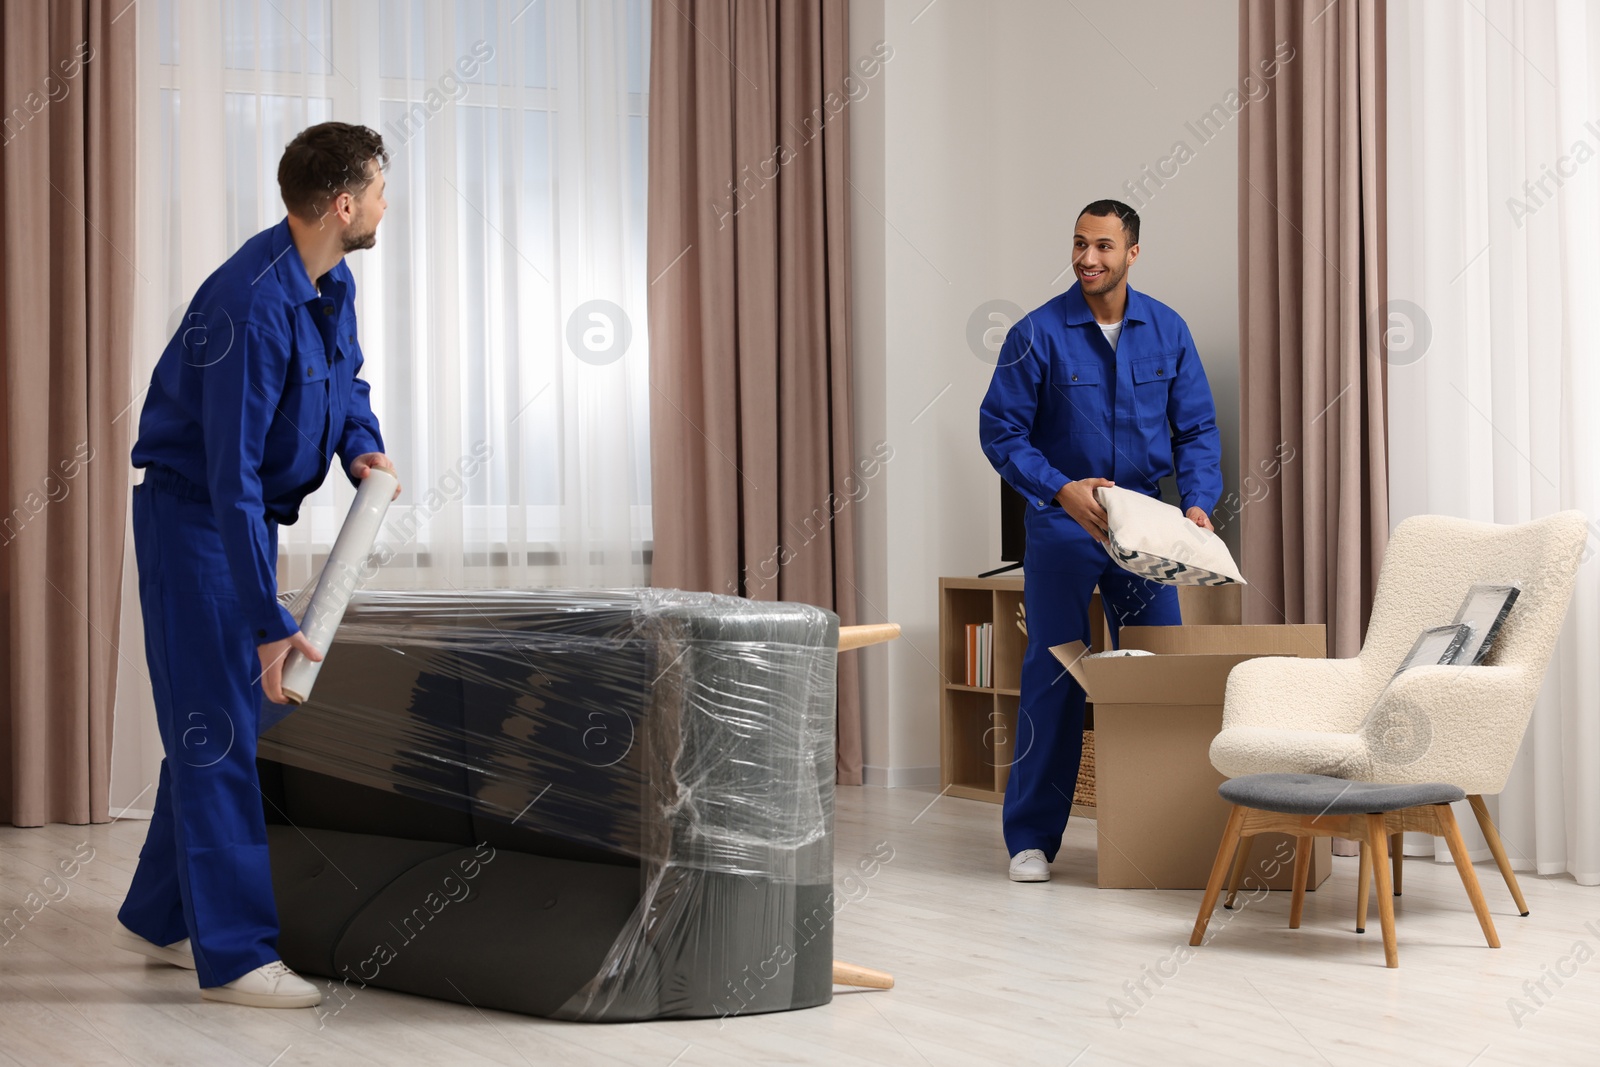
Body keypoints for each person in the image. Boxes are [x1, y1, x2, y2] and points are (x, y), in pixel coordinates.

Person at [113, 122, 402, 1006]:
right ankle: (236, 955)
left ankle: (160, 917)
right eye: (382, 191)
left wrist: (363, 448)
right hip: (195, 519)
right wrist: (270, 626)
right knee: (221, 732)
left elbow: (347, 381)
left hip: (236, 521)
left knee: (225, 716)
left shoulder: (330, 280)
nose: (389, 205)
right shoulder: (249, 303)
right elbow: (234, 476)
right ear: (344, 203)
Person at [978, 199, 1222, 882]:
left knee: (1154, 677)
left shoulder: (1167, 331)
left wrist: (1198, 504)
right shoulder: (1037, 332)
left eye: (1104, 246)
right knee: (1052, 675)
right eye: (1080, 244)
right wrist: (1060, 488)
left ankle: (1157, 830)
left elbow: (1197, 431)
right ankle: (1030, 838)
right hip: (1063, 527)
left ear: (1132, 253)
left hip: (1146, 527)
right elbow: (1001, 430)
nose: (1089, 258)